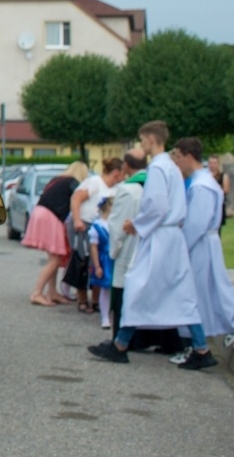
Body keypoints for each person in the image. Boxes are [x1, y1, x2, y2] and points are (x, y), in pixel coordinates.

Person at [89, 121, 213, 370]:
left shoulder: (158, 168)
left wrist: (136, 224)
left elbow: (156, 205)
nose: (141, 145)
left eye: (142, 140)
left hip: (159, 237)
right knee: (180, 293)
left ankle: (120, 345)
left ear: (151, 139)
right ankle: (200, 347)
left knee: (137, 287)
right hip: (170, 237)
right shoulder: (170, 166)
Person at [174, 139, 234, 347]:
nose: (177, 162)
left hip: (202, 243)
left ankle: (232, 319)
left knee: (204, 288)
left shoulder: (200, 185)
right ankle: (226, 322)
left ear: (188, 156)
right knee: (210, 286)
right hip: (205, 241)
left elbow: (196, 223)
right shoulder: (203, 181)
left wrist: (182, 247)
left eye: (178, 157)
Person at [23, 162, 88, 306]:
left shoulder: (57, 180)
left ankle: (52, 292)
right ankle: (37, 293)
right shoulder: (74, 183)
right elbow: (76, 201)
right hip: (51, 217)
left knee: (53, 257)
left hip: (40, 212)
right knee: (56, 259)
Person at [71, 158, 122, 314]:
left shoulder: (117, 188)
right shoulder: (94, 182)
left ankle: (96, 299)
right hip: (86, 224)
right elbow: (76, 198)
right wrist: (77, 219)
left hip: (103, 228)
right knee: (82, 262)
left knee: (98, 262)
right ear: (116, 173)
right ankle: (82, 298)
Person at [106, 149, 147, 338]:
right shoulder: (154, 185)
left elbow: (117, 226)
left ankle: (121, 339)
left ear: (126, 166)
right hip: (148, 247)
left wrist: (113, 251)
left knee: (123, 291)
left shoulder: (126, 190)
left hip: (128, 246)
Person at [89, 199, 114, 331]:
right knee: (105, 288)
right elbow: (94, 247)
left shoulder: (115, 223)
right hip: (105, 259)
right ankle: (105, 317)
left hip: (115, 257)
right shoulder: (97, 225)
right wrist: (97, 266)